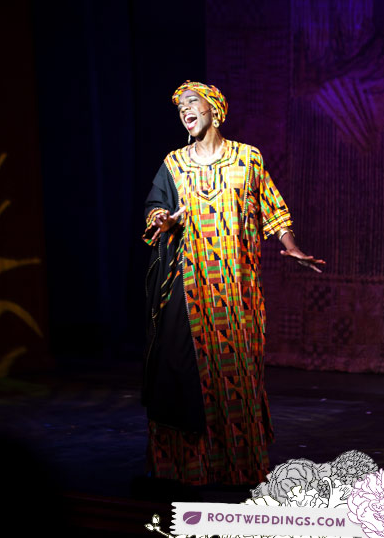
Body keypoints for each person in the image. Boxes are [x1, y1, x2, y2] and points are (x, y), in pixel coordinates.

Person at [141, 81, 325, 485]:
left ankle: (238, 468)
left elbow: (272, 208)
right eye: (180, 107)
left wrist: (291, 246)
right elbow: (155, 208)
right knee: (185, 374)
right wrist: (163, 220)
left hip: (236, 290)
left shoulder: (247, 158)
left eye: (192, 102)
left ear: (215, 109)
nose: (185, 110)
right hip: (189, 289)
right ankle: (189, 468)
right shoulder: (174, 163)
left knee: (236, 375)